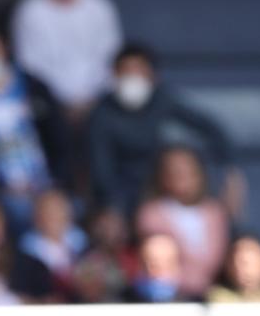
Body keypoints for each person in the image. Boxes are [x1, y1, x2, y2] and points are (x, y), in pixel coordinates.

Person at [86, 44, 238, 224]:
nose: (132, 78)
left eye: (139, 71)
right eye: (126, 72)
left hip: (162, 185)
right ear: (114, 75)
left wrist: (229, 171)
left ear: (152, 76)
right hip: (124, 194)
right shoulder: (101, 114)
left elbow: (210, 127)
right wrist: (111, 207)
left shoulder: (161, 100)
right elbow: (101, 170)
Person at [0, 23, 68, 226]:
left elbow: (58, 138)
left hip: (45, 185)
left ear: (3, 46)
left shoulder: (35, 89)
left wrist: (57, 182)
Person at [10, 0, 120, 120]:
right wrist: (61, 103)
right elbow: (29, 64)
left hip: (97, 105)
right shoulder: (29, 10)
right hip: (49, 108)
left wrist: (90, 101)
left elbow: (110, 58)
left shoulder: (100, 6)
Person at [135, 145, 231, 300]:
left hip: (211, 296)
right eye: (174, 170)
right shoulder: (151, 213)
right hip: (167, 298)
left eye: (187, 168)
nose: (181, 175)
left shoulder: (215, 212)